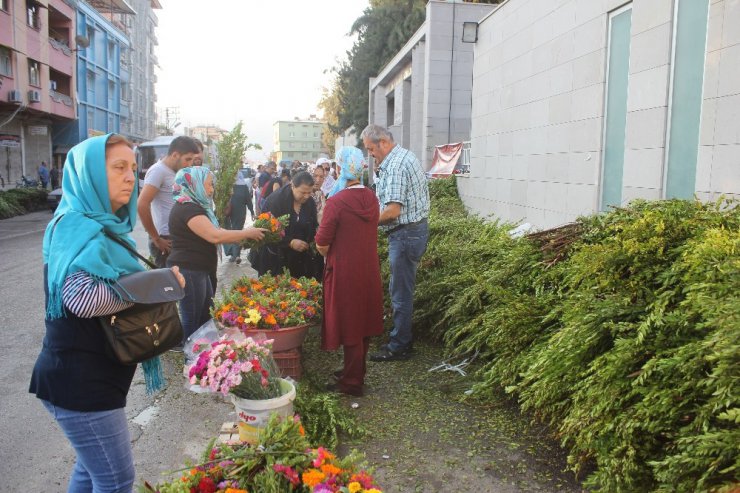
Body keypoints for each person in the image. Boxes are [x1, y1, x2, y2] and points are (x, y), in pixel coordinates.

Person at [29, 133, 186, 492]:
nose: (132, 177)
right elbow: (82, 299)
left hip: (92, 377)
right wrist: (155, 286)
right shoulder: (75, 226)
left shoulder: (103, 226)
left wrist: (156, 283)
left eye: (133, 168)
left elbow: (114, 288)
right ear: (91, 176)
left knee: (91, 472)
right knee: (114, 480)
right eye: (118, 168)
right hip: (80, 384)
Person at [167, 166, 265, 343]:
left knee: (205, 316)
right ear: (194, 184)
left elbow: (216, 230)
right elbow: (215, 236)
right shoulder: (188, 209)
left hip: (198, 269)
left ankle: (206, 356)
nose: (212, 190)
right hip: (189, 270)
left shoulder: (195, 206)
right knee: (193, 318)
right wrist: (246, 233)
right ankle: (191, 361)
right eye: (209, 185)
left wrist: (241, 238)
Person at [315, 147, 383, 396]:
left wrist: (330, 254)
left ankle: (352, 381)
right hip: (368, 270)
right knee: (362, 323)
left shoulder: (337, 202)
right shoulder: (371, 198)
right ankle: (354, 370)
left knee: (351, 325)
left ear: (341, 169)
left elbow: (322, 242)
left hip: (344, 271)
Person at [362, 124, 430, 362]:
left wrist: (364, 224)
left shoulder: (396, 165)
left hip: (405, 234)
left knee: (400, 293)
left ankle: (399, 345)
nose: (370, 154)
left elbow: (392, 211)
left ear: (383, 143)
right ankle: (401, 338)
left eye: (371, 149)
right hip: (411, 231)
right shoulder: (402, 156)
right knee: (401, 289)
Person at [137, 136, 200, 268]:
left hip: (179, 236)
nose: (189, 164)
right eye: (187, 159)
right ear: (175, 155)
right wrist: (156, 239)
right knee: (169, 285)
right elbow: (142, 204)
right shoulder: (158, 171)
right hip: (166, 239)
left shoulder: (175, 172)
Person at [255, 171, 318, 278]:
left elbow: (312, 225)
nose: (307, 196)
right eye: (303, 192)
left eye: (309, 192)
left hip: (299, 258)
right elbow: (266, 231)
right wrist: (290, 242)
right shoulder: (276, 200)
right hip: (276, 256)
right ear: (293, 185)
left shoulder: (310, 202)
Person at [223, 167, 255, 263]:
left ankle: (236, 255)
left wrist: (252, 212)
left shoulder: (243, 186)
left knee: (237, 231)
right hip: (228, 213)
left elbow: (248, 201)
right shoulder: (227, 186)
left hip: (240, 213)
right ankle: (233, 252)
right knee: (228, 231)